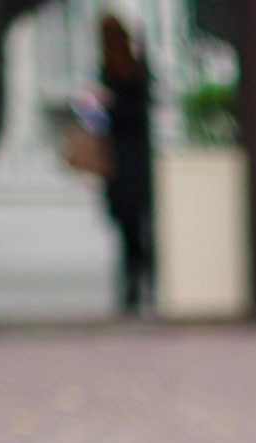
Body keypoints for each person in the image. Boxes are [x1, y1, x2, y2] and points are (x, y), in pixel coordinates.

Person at [97, 15, 155, 315]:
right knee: (135, 227)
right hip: (130, 160)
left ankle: (135, 284)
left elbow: (132, 114)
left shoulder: (129, 72)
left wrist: (108, 106)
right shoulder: (128, 70)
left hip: (124, 161)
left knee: (131, 230)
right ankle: (138, 283)